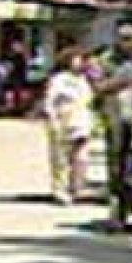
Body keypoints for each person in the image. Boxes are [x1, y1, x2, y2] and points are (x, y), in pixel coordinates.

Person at [92, 20, 132, 232]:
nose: (130, 44)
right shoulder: (105, 60)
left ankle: (127, 211)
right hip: (114, 116)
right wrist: (122, 81)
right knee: (116, 167)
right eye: (125, 39)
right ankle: (115, 213)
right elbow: (97, 87)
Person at [42, 47, 95, 205]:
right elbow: (49, 101)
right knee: (61, 158)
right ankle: (60, 190)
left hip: (82, 120)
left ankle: (76, 187)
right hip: (63, 119)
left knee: (81, 157)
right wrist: (52, 119)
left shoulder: (84, 80)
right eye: (77, 59)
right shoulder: (59, 79)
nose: (80, 62)